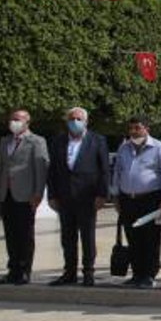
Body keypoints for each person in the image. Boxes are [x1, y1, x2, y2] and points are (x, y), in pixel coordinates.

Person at [46, 107, 110, 287]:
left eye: (79, 119)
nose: (75, 122)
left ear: (86, 122)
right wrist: (52, 195)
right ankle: (69, 272)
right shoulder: (58, 141)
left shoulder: (97, 140)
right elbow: (52, 171)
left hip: (87, 196)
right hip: (65, 197)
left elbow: (104, 170)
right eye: (72, 118)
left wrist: (102, 194)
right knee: (67, 237)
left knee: (87, 236)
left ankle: (88, 271)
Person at [112, 117, 161, 289]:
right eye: (131, 128)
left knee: (151, 238)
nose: (134, 131)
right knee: (133, 237)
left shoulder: (159, 148)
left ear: (147, 128)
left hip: (151, 199)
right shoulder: (124, 148)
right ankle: (137, 274)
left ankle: (149, 275)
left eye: (137, 128)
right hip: (128, 199)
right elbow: (117, 172)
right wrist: (115, 196)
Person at [0, 109, 49, 285]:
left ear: (27, 122)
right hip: (6, 193)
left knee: (25, 234)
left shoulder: (37, 141)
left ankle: (24, 270)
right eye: (11, 119)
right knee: (10, 233)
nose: (13, 122)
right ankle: (13, 269)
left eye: (17, 120)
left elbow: (41, 168)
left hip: (25, 194)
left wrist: (38, 193)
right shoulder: (5, 141)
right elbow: (1, 166)